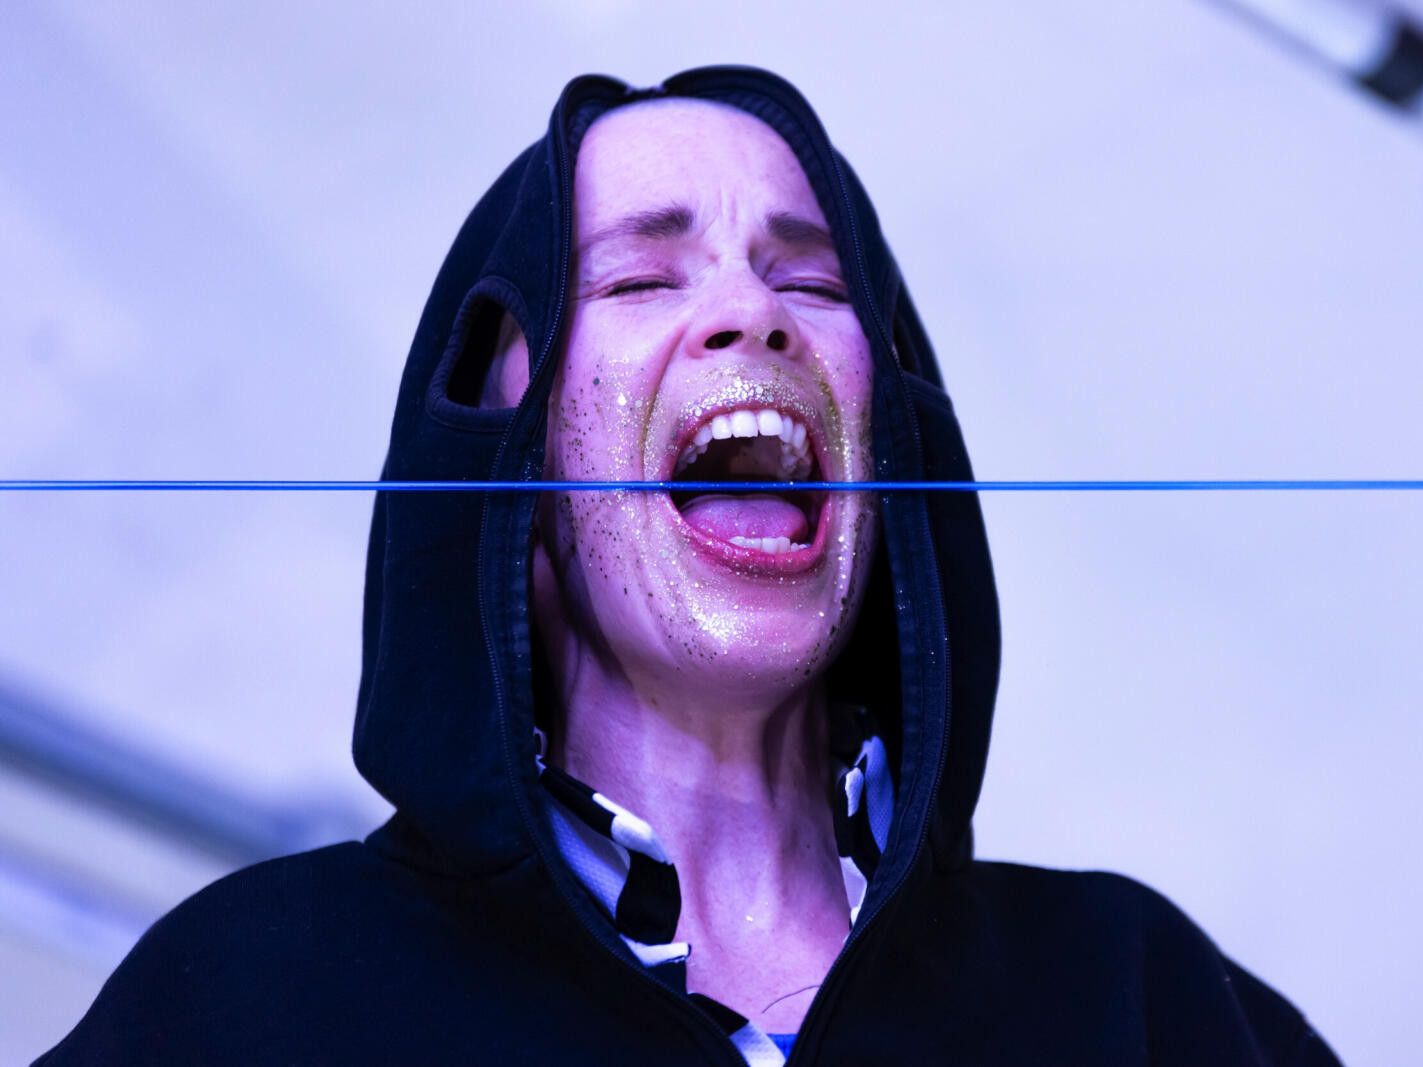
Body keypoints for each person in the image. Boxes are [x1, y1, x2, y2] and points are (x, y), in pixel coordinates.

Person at [39, 67, 1340, 1065]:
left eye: (811, 284)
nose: (752, 313)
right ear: (504, 469)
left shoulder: (1138, 996)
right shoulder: (257, 1000)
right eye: (639, 279)